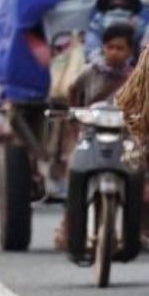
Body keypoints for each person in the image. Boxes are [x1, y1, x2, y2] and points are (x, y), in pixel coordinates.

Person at [54, 24, 137, 250]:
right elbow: (73, 89)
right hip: (91, 132)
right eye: (110, 47)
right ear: (103, 48)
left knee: (137, 173)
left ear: (129, 52)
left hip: (122, 133)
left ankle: (133, 230)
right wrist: (76, 113)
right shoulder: (91, 71)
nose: (114, 52)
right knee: (76, 173)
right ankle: (68, 226)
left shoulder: (134, 76)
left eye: (120, 48)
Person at [83, 0, 149, 64]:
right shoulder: (97, 24)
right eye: (114, 7)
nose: (118, 10)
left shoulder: (96, 24)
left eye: (123, 6)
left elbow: (91, 52)